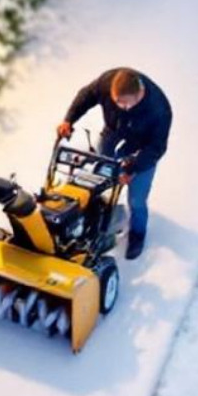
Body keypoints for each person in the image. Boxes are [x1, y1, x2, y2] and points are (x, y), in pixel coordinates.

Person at [57, 67, 173, 260]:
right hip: (114, 132)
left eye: (126, 104)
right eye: (116, 102)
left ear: (140, 94)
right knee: (97, 178)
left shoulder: (159, 109)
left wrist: (132, 167)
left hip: (143, 148)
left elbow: (157, 148)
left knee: (136, 200)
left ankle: (137, 234)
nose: (121, 106)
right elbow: (85, 96)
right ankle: (94, 218)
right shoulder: (106, 83)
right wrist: (69, 120)